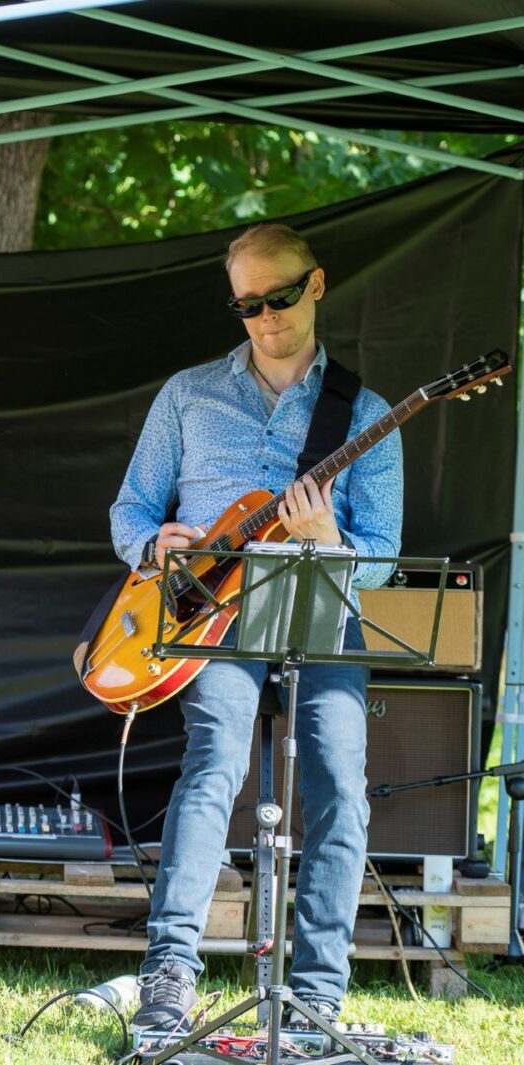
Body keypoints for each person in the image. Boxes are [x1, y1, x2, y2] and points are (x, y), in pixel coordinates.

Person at [109, 223, 403, 1030]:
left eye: (278, 297)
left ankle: (316, 994)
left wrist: (325, 542)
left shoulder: (367, 413)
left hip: (319, 609)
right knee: (212, 762)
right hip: (210, 615)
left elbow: (380, 557)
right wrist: (150, 542)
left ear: (315, 285)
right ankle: (169, 969)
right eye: (247, 304)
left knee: (341, 785)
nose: (266, 316)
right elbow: (130, 507)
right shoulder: (188, 393)